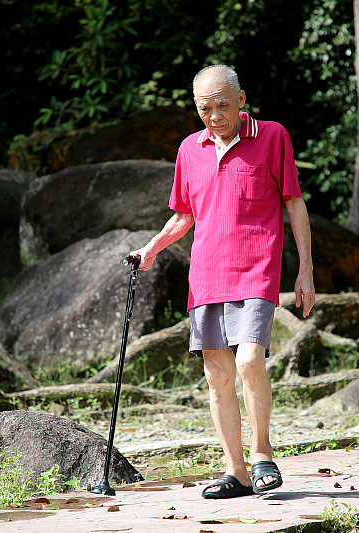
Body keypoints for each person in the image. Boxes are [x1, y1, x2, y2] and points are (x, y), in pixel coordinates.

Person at [129, 64, 315, 499]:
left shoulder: (272, 137)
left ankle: (262, 452)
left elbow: (294, 202)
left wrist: (305, 268)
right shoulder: (189, 150)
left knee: (250, 359)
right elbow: (184, 215)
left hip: (257, 270)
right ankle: (237, 471)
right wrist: (152, 247)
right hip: (207, 274)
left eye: (223, 106)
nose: (214, 116)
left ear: (242, 100)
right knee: (217, 376)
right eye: (204, 108)